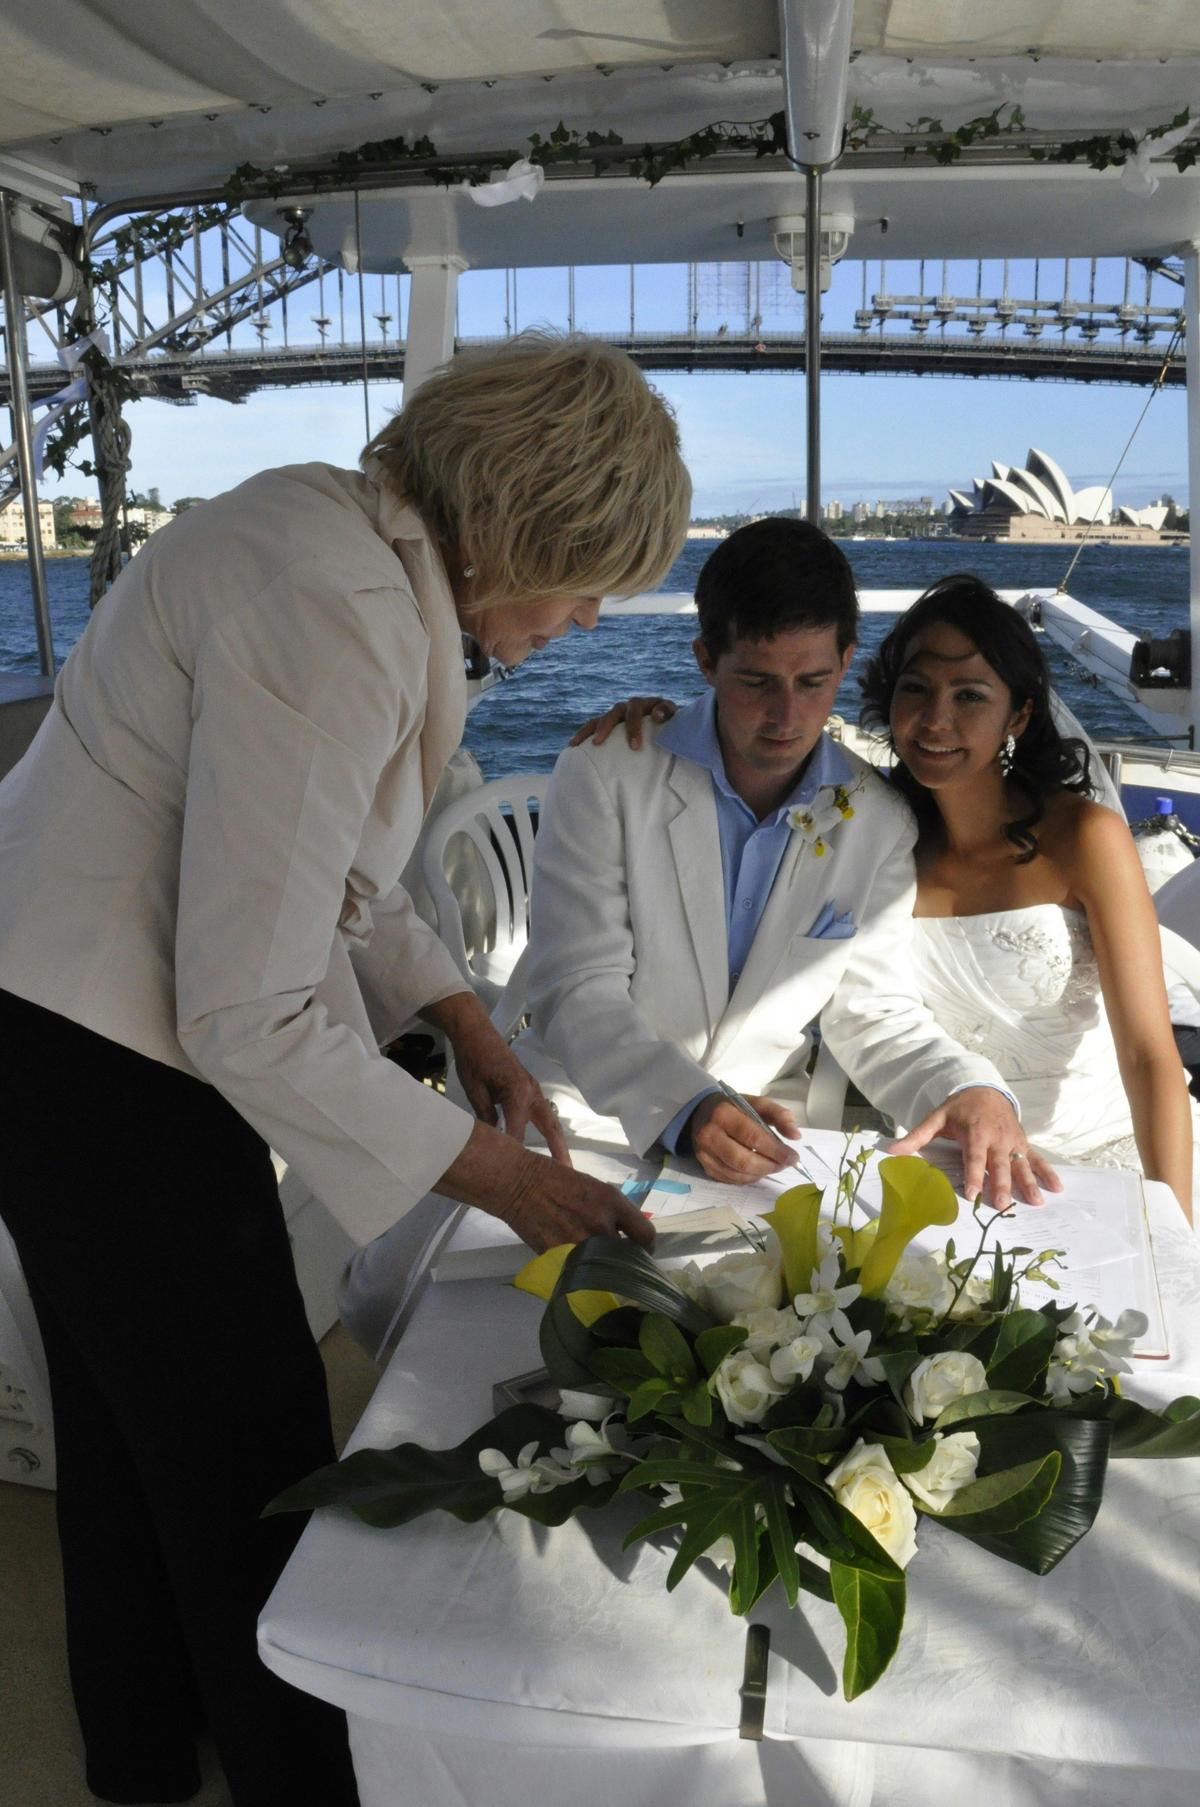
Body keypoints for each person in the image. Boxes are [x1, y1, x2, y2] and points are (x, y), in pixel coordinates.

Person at [0, 333, 688, 1806]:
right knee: (249, 1447)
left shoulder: (325, 526)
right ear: (526, 521)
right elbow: (245, 1009)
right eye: (586, 582)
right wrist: (499, 1173)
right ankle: (298, 1774)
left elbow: (339, 880)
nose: (579, 622)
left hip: (45, 1022)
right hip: (95, 1056)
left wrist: (471, 1022)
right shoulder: (341, 608)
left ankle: (136, 1752)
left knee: (126, 1433)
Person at [514, 518, 1054, 1206]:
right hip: (584, 1115)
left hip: (761, 1139)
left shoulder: (879, 818)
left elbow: (872, 1010)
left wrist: (966, 1084)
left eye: (813, 680)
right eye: (756, 680)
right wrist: (686, 1106)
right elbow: (577, 987)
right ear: (706, 659)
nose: (786, 713)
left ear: (847, 660)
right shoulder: (605, 773)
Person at [858, 574, 1195, 1223]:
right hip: (960, 1174)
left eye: (969, 696)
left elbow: (1150, 1056)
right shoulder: (879, 843)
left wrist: (1174, 1230)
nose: (936, 719)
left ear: (1018, 715)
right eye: (917, 689)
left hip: (1112, 1161)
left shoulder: (1085, 839)